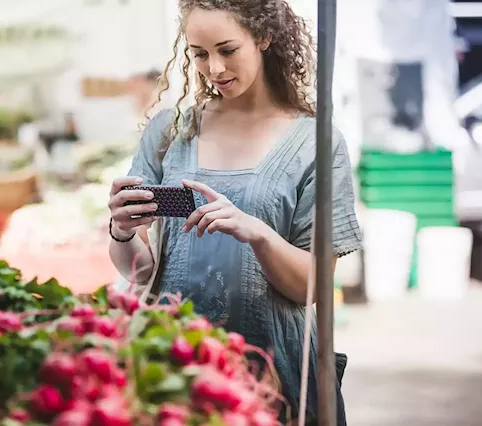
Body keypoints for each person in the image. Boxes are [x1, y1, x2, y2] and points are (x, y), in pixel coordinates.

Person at [108, 1, 362, 424]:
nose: (214, 68)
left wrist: (257, 233)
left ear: (263, 38)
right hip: (173, 367)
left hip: (274, 374)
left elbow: (313, 286)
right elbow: (139, 272)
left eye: (228, 49)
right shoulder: (171, 131)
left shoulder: (315, 143)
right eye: (199, 53)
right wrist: (121, 229)